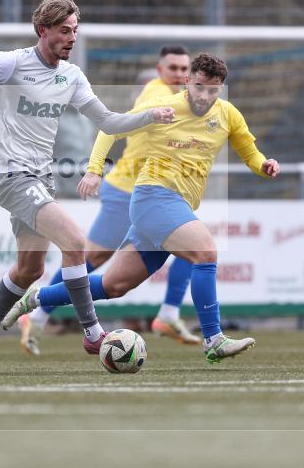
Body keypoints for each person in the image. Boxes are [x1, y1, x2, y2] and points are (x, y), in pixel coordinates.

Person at [0, 0, 174, 373]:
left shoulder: (71, 76)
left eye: (75, 30)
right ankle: (92, 333)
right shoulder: (11, 64)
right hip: (11, 176)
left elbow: (108, 122)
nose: (71, 38)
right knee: (75, 242)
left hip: (40, 177)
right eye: (63, 30)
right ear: (42, 30)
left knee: (29, 271)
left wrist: (149, 116)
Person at [3, 53, 280, 364]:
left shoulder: (227, 115)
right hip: (153, 198)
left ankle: (37, 298)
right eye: (199, 87)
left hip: (173, 206)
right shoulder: (165, 109)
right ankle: (213, 338)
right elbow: (110, 128)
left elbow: (249, 152)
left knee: (114, 285)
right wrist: (95, 170)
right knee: (206, 253)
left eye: (213, 90)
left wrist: (264, 165)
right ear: (187, 81)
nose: (205, 96)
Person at [14, 45, 200, 356]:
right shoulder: (157, 95)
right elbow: (112, 126)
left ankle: (168, 315)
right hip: (128, 191)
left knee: (194, 245)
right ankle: (37, 312)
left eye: (185, 70)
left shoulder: (182, 98)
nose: (180, 75)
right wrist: (95, 169)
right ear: (159, 71)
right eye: (174, 69)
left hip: (152, 192)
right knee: (91, 260)